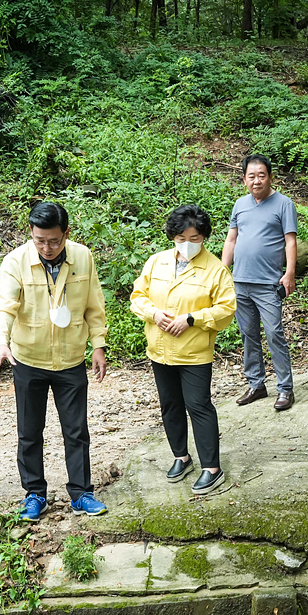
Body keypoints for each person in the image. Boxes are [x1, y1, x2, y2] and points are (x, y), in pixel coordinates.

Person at [0, 202, 109, 521]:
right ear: (31, 233)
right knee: (29, 431)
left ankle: (82, 493)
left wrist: (99, 345)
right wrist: (1, 342)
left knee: (76, 430)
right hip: (28, 359)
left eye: (54, 241)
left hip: (70, 359)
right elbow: (3, 308)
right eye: (40, 240)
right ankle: (34, 495)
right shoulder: (16, 262)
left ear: (66, 234)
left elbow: (94, 307)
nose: (47, 247)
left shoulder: (82, 257)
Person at [130, 205, 237, 495]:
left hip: (194, 352)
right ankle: (181, 456)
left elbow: (226, 310)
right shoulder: (156, 262)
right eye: (181, 238)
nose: (187, 244)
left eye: (195, 238)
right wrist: (153, 313)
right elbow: (138, 296)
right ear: (172, 236)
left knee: (198, 406)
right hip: (160, 349)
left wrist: (192, 319)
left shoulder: (215, 269)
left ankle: (212, 468)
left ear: (204, 237)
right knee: (170, 405)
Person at [220, 154, 298, 411]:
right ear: (243, 179)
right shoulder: (240, 205)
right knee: (248, 334)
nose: (256, 181)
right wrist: (222, 272)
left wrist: (289, 273)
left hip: (268, 283)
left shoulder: (284, 203)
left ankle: (285, 389)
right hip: (241, 281)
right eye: (251, 176)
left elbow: (290, 241)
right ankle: (256, 384)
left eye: (261, 175)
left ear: (270, 177)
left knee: (274, 333)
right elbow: (231, 240)